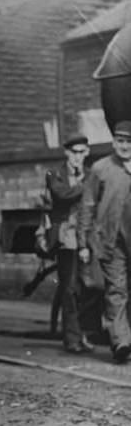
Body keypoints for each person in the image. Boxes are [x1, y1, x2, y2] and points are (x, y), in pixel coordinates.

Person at [78, 120, 131, 363]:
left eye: (129, 142)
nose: (125, 146)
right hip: (111, 241)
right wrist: (83, 243)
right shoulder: (100, 169)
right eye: (120, 141)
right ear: (113, 142)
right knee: (116, 290)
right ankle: (121, 341)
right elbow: (87, 206)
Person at [45, 134, 95, 354]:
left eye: (82, 152)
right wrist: (86, 185)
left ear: (87, 153)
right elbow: (62, 195)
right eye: (74, 152)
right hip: (67, 239)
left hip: (89, 237)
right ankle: (72, 339)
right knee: (70, 288)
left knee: (91, 288)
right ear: (66, 153)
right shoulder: (55, 174)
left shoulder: (91, 174)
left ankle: (82, 333)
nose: (78, 157)